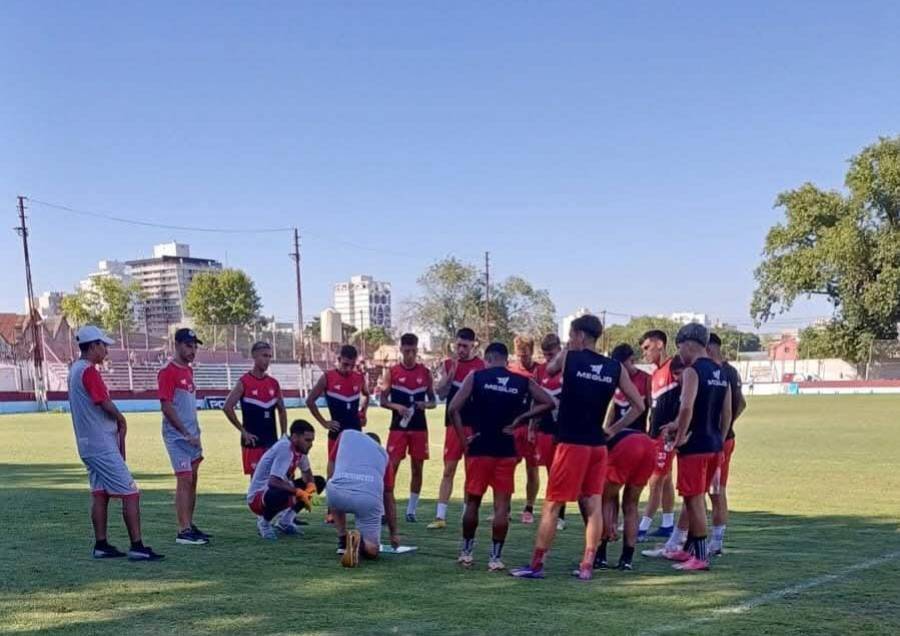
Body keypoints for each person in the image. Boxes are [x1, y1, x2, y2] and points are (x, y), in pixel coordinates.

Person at [511, 314, 646, 581]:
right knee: (593, 504)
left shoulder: (570, 357)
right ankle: (587, 565)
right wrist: (613, 429)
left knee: (552, 505)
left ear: (581, 336)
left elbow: (550, 370)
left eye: (571, 335)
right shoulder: (614, 367)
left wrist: (566, 351)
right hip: (597, 445)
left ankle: (537, 565)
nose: (569, 340)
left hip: (571, 443)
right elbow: (639, 405)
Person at [448, 342, 554, 571]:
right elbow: (549, 402)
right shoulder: (521, 380)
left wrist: (463, 440)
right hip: (506, 448)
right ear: (506, 360)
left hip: (479, 446)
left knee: (473, 501)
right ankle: (495, 558)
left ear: (487, 359)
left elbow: (453, 408)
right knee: (501, 506)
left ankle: (466, 553)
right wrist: (521, 419)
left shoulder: (476, 376)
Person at [68, 325, 163, 561]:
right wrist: (121, 418)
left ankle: (101, 544)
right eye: (103, 345)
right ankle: (137, 546)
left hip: (87, 443)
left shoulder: (74, 370)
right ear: (93, 346)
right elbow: (102, 401)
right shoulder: (88, 371)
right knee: (130, 492)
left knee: (100, 493)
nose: (106, 350)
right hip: (101, 443)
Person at [667, 323, 732, 572]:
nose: (680, 353)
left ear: (688, 344)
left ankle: (701, 557)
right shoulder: (721, 372)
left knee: (693, 500)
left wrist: (680, 436)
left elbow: (687, 407)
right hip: (714, 444)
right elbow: (727, 412)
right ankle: (689, 549)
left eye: (679, 348)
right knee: (696, 497)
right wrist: (719, 440)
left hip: (694, 446)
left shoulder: (692, 372)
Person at [597, 343, 654, 571]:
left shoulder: (644, 379)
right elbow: (612, 410)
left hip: (627, 443)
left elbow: (646, 409)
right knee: (630, 504)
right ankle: (626, 559)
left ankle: (601, 553)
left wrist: (611, 431)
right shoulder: (618, 378)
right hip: (643, 445)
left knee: (605, 498)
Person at [306, 344, 370, 523]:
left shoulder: (359, 378)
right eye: (345, 364)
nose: (348, 369)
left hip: (355, 432)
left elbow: (366, 395)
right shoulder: (327, 377)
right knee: (334, 473)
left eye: (352, 365)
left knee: (355, 471)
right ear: (339, 360)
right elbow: (310, 400)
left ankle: (355, 507)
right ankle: (331, 511)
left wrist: (363, 412)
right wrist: (324, 422)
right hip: (337, 432)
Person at [428, 328, 484, 530]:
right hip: (453, 425)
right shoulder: (448, 364)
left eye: (465, 346)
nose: (461, 349)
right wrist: (450, 375)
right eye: (458, 345)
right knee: (448, 470)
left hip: (473, 425)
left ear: (473, 345)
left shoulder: (481, 366)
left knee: (471, 472)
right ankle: (440, 516)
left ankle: (466, 515)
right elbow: (440, 393)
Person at [159, 328, 209, 545]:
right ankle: (183, 530)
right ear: (177, 345)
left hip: (192, 435)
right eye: (189, 346)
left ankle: (189, 523)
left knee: (193, 479)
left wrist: (194, 433)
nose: (193, 350)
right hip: (178, 436)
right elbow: (167, 406)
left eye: (195, 346)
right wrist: (185, 433)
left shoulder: (188, 371)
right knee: (184, 479)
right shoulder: (167, 372)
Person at [380, 333, 435, 523]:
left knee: (417, 468)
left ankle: (411, 510)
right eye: (407, 350)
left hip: (419, 427)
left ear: (417, 350)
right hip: (398, 427)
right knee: (391, 467)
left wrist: (425, 405)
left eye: (413, 350)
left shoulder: (425, 372)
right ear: (401, 349)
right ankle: (385, 510)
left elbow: (433, 401)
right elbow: (382, 400)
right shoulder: (392, 372)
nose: (410, 354)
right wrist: (397, 407)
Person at [327, 430, 399, 567]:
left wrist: (330, 499)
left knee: (335, 488)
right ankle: (358, 543)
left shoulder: (346, 436)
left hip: (336, 494)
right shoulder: (383, 456)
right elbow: (388, 497)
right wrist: (393, 533)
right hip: (367, 500)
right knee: (372, 550)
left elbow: (331, 463)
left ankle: (342, 539)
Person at [707, 332, 746, 556]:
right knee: (712, 489)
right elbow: (741, 404)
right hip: (724, 437)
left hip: (718, 440)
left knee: (715, 490)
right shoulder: (731, 371)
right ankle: (711, 539)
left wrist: (724, 426)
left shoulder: (719, 372)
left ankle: (716, 541)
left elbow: (735, 405)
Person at [223, 341, 288, 478]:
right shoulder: (244, 382)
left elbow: (282, 410)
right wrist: (243, 432)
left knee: (273, 479)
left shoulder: (273, 383)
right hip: (252, 441)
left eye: (269, 356)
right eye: (264, 355)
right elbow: (227, 407)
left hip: (271, 441)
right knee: (256, 481)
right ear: (254, 356)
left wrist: (283, 435)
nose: (267, 360)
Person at [638, 329, 678, 541]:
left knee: (655, 480)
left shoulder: (674, 367)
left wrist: (677, 425)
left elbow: (687, 397)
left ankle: (642, 528)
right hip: (654, 435)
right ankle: (667, 524)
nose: (644, 353)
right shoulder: (655, 374)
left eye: (647, 347)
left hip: (667, 436)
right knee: (666, 479)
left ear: (659, 344)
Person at [246, 420, 317, 539]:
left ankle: (285, 522)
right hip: (258, 497)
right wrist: (299, 492)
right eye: (307, 440)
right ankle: (264, 524)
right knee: (284, 492)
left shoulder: (299, 449)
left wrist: (311, 487)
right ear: (295, 437)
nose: (310, 444)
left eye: (312, 440)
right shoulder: (285, 448)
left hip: (274, 489)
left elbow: (307, 472)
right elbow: (273, 482)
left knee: (318, 482)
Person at [532, 333, 566, 530]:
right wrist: (532, 426)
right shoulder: (539, 371)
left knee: (560, 472)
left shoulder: (568, 368)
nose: (548, 359)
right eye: (545, 355)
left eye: (551, 355)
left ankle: (560, 515)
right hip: (544, 428)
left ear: (559, 350)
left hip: (563, 429)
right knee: (550, 471)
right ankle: (552, 512)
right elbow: (536, 400)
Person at [507, 335, 541, 524]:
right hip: (513, 427)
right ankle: (505, 507)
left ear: (532, 352)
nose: (522, 359)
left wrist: (533, 425)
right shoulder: (510, 370)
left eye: (526, 355)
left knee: (532, 469)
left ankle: (529, 508)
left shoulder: (539, 371)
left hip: (532, 428)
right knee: (507, 467)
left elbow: (541, 401)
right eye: (519, 355)